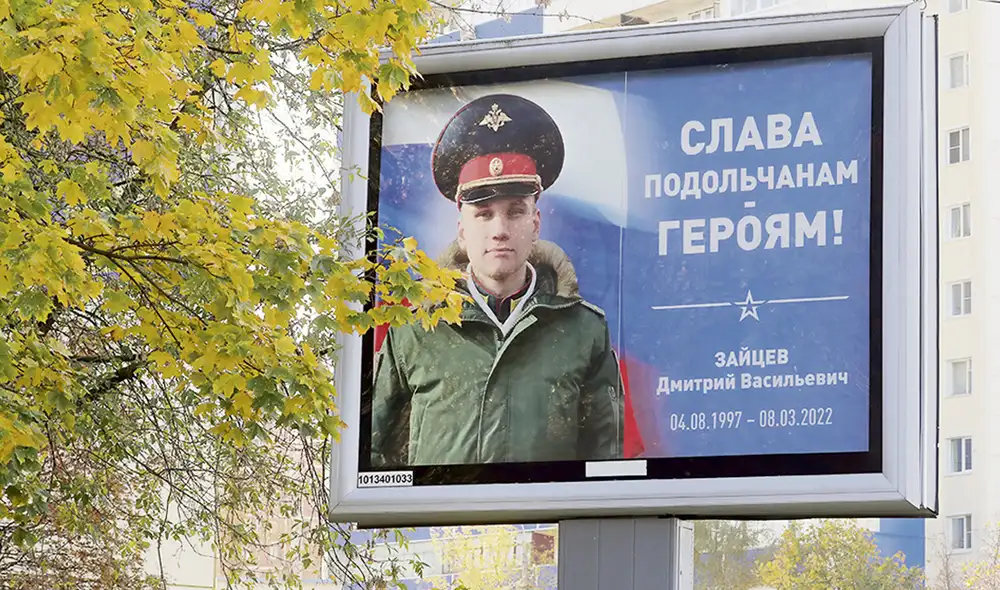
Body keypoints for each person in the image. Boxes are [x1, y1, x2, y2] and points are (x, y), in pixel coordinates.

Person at [370, 93, 625, 467]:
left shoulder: (584, 331)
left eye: (516, 212)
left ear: (535, 224)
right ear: (462, 230)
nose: (500, 230)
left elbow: (607, 462)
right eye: (484, 214)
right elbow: (375, 455)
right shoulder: (413, 329)